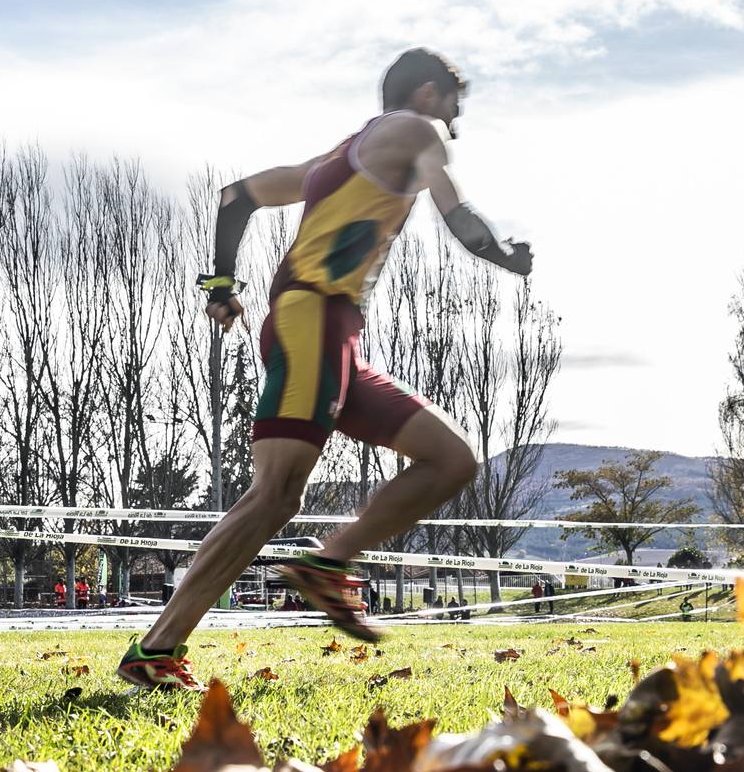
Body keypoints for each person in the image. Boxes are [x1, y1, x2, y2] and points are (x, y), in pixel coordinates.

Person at [118, 48, 531, 690]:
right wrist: (506, 256)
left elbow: (236, 198)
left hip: (334, 338)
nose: (456, 118)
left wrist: (221, 285)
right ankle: (156, 650)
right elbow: (459, 216)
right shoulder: (418, 133)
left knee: (452, 459)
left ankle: (330, 560)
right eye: (455, 101)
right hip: (313, 320)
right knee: (277, 493)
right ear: (427, 94)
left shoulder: (329, 162)